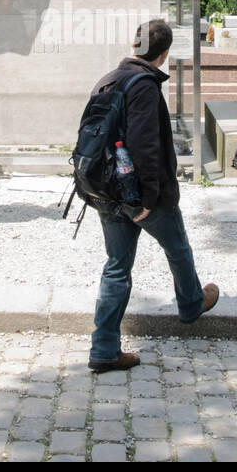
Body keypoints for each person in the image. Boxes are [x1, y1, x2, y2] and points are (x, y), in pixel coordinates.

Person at [88, 19, 219, 372]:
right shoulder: (143, 84)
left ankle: (103, 349)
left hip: (106, 189)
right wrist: (147, 198)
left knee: (116, 267)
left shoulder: (109, 78)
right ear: (163, 54)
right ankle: (191, 304)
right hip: (138, 193)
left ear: (135, 45)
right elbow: (144, 144)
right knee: (177, 247)